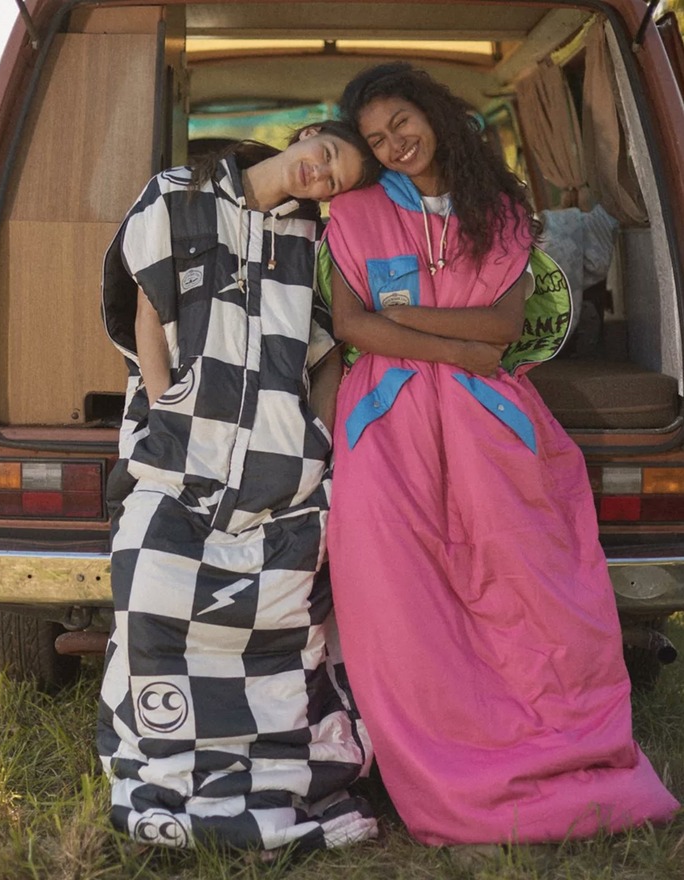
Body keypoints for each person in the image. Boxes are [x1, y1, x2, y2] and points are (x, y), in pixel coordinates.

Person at [319, 62, 679, 847]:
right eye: (377, 139)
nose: (394, 143)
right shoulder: (354, 211)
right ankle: (442, 765)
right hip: (389, 421)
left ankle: (556, 743)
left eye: (401, 122)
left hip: (488, 417)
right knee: (403, 592)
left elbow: (504, 331)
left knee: (525, 577)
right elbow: (354, 327)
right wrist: (453, 340)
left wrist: (417, 326)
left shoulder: (501, 209)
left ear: (435, 112)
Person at [97, 121, 381, 854]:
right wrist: (164, 406)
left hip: (281, 468)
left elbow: (327, 350)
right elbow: (144, 308)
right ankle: (165, 774)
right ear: (306, 135)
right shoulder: (177, 196)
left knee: (281, 634)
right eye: (328, 157)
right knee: (151, 598)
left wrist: (316, 442)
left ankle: (273, 781)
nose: (323, 176)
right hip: (176, 455)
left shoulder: (312, 240)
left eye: (339, 180)